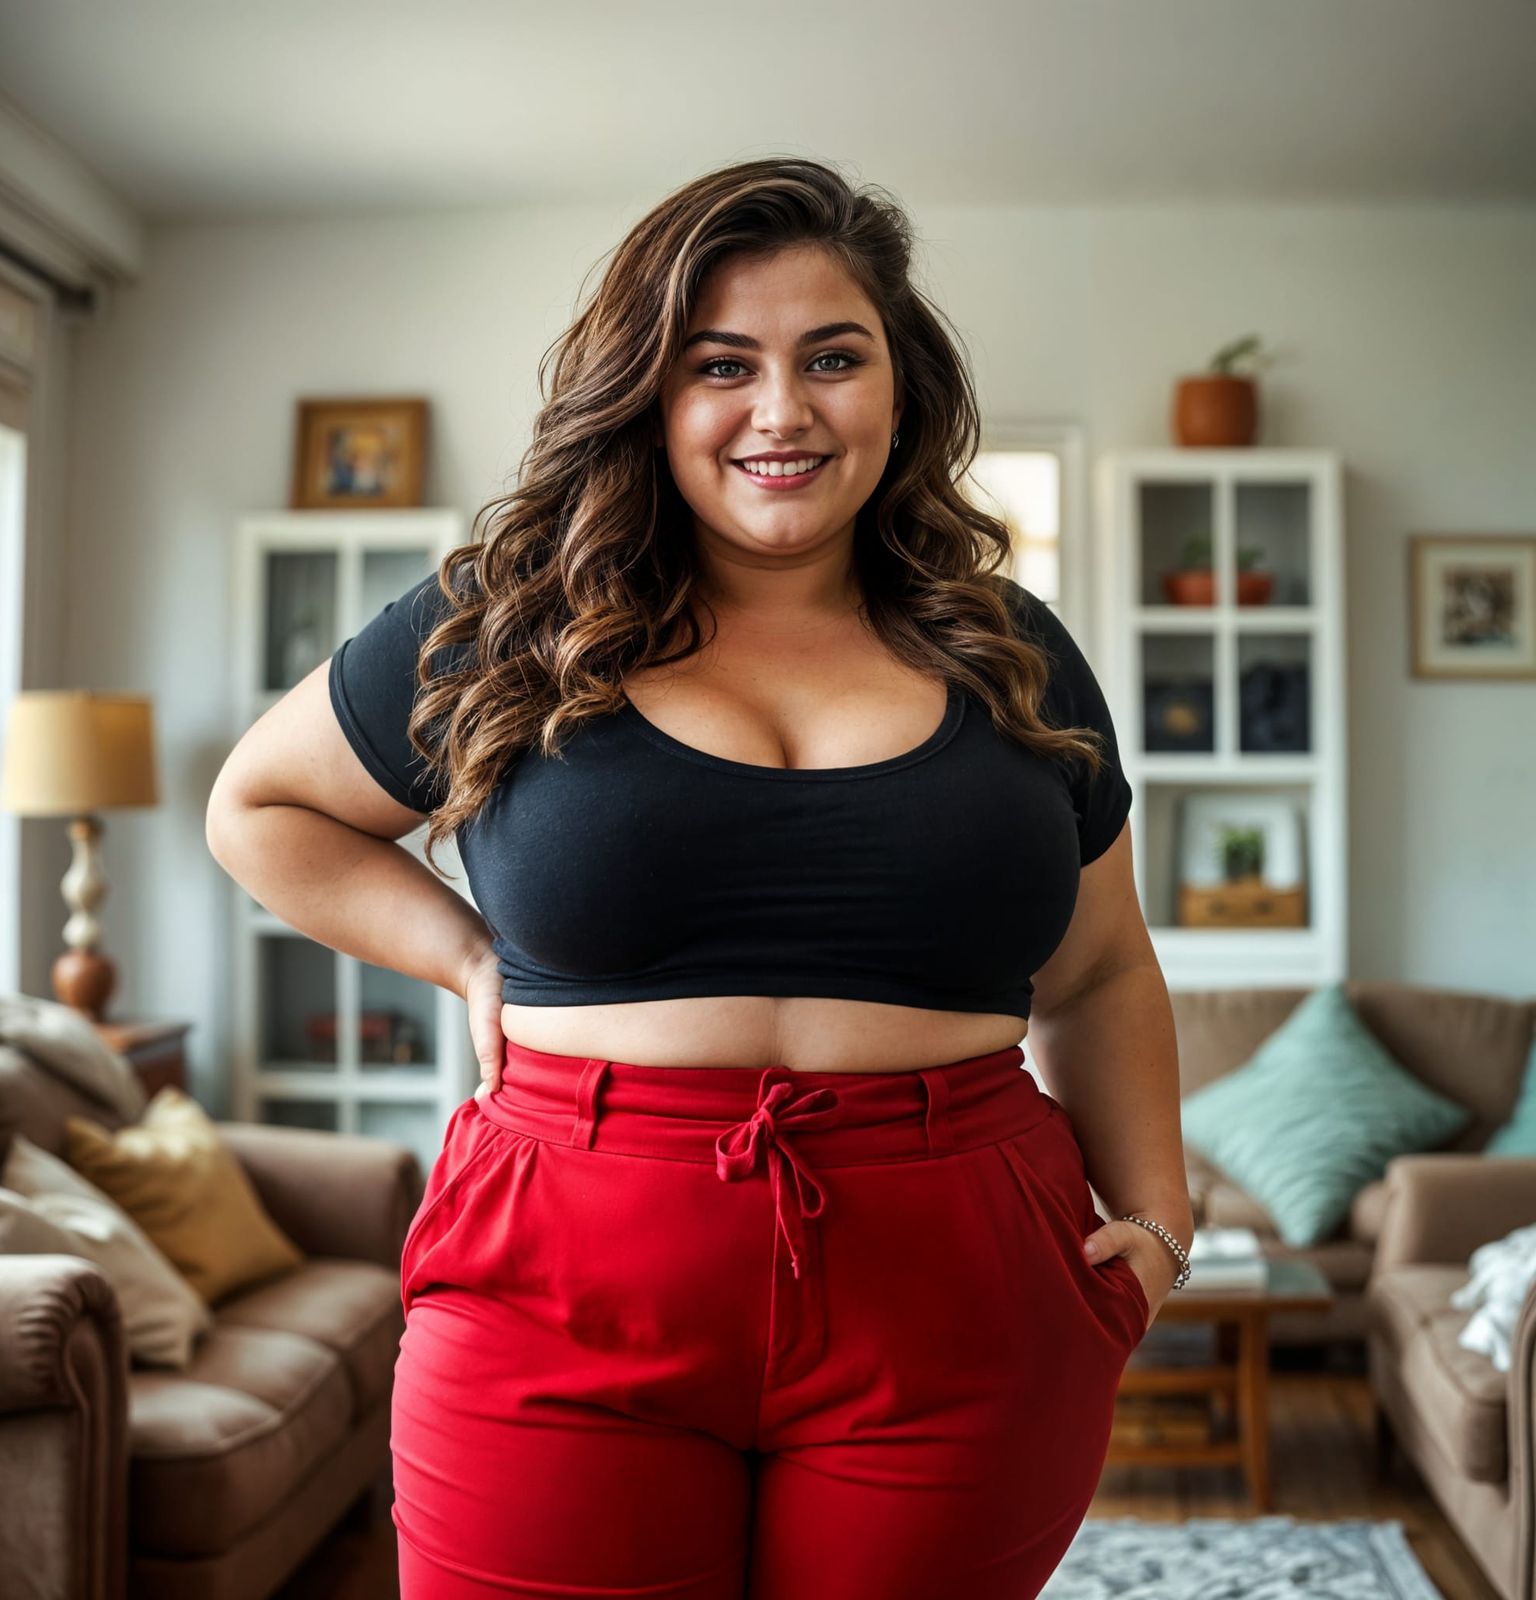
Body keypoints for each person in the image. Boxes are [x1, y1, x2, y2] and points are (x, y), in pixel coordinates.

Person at [207, 155, 1193, 1600]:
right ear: (649, 394)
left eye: (832, 359)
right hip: (561, 1276)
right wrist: (470, 958)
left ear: (900, 388)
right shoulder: (511, 618)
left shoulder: (1016, 648)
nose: (782, 411)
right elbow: (263, 806)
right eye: (721, 364)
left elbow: (1102, 967)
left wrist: (1158, 1227)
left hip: (963, 1293)